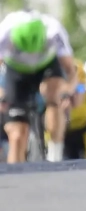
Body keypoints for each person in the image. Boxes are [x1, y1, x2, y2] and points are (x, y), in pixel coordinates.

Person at [0, 10, 77, 163]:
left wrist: (68, 91)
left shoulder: (54, 30)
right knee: (17, 135)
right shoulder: (5, 32)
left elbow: (71, 70)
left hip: (46, 65)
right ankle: (16, 177)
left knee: (53, 93)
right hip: (17, 70)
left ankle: (55, 151)